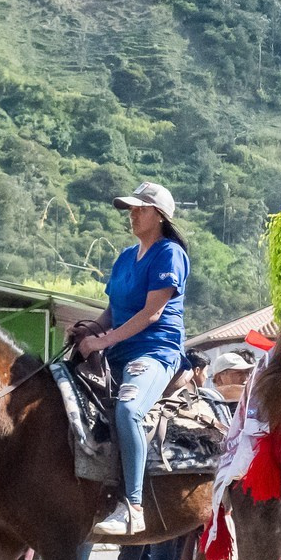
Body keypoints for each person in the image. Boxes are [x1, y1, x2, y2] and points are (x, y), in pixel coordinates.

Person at [83, 182, 191, 540]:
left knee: (128, 410)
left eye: (140, 209)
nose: (132, 214)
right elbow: (113, 310)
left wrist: (106, 339)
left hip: (155, 351)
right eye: (130, 208)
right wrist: (88, 332)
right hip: (117, 351)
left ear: (159, 215)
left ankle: (133, 507)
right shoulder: (126, 257)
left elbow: (152, 313)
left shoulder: (169, 253)